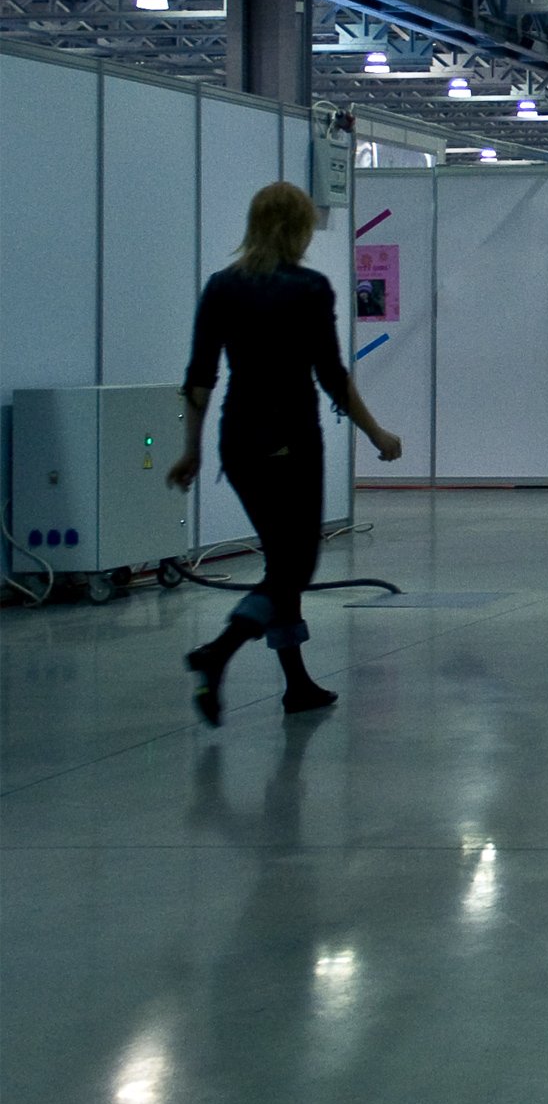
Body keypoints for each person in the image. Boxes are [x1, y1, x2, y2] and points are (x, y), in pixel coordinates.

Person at [170, 182, 404, 724]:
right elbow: (331, 376)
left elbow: (200, 378)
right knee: (294, 566)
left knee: (282, 562)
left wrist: (192, 452)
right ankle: (217, 653)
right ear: (298, 228)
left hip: (239, 440)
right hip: (292, 441)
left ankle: (297, 684)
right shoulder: (308, 288)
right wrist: (376, 434)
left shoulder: (222, 286)